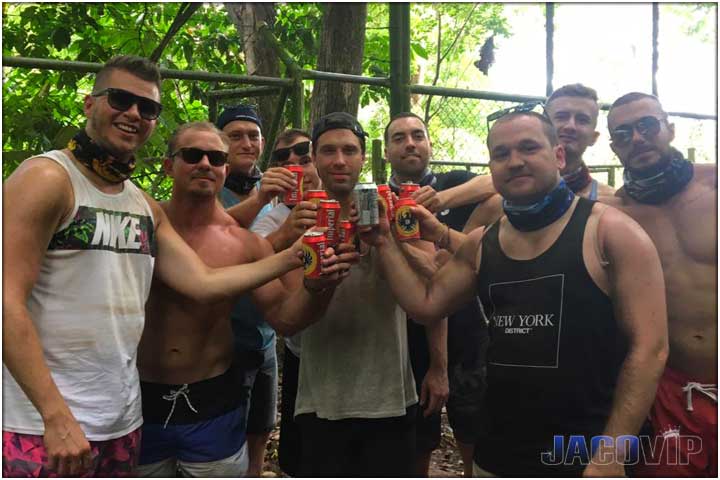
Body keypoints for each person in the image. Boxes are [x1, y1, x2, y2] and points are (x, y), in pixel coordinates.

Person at [2, 55, 337, 478]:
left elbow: (202, 283)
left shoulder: (137, 204)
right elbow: (5, 302)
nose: (134, 114)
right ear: (89, 104)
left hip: (124, 419)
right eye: (121, 100)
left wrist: (306, 266)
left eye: (148, 108)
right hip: (45, 422)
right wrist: (53, 414)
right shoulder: (47, 178)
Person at [363, 110, 669, 476]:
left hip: (585, 452)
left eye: (528, 147)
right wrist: (382, 241)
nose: (515, 161)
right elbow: (427, 304)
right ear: (490, 167)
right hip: (499, 451)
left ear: (557, 155)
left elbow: (650, 348)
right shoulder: (482, 243)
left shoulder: (611, 232)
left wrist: (613, 452)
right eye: (501, 153)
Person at [135, 122, 352, 477]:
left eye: (216, 158)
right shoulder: (139, 224)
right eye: (192, 155)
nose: (205, 164)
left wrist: (319, 287)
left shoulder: (246, 243)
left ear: (225, 168)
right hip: (140, 399)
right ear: (168, 165)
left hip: (214, 403)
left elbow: (285, 318)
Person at [293, 112, 419, 477]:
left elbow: (430, 291)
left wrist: (388, 237)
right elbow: (283, 314)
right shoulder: (297, 218)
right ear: (314, 158)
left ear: (364, 157)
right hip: (322, 397)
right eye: (328, 151)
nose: (339, 160)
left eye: (350, 150)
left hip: (390, 395)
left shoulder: (393, 208)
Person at [603, 92, 717, 477]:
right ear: (614, 147)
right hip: (674, 391)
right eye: (623, 133)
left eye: (647, 125)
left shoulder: (715, 184)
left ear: (669, 128)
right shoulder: (614, 215)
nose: (637, 138)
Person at [384, 112, 486, 477]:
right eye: (399, 138)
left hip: (466, 331)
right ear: (386, 152)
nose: (410, 143)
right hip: (409, 334)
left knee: (474, 429)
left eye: (417, 135)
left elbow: (500, 181)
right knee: (418, 437)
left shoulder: (456, 184)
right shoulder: (380, 200)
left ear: (429, 144)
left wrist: (441, 198)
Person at [215, 105, 292, 476]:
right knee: (227, 430)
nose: (247, 142)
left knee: (261, 426)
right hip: (225, 336)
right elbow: (214, 244)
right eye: (236, 135)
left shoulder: (274, 186)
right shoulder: (208, 185)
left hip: (266, 333)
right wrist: (282, 238)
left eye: (254, 135)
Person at [248, 128, 321, 478]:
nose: (294, 166)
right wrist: (287, 234)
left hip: (357, 350)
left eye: (304, 158)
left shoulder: (348, 203)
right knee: (302, 456)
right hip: (302, 353)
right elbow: (252, 269)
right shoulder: (270, 218)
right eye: (283, 160)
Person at [463, 84, 615, 232]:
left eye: (582, 120)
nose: (570, 126)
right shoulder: (499, 202)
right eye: (561, 117)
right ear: (543, 125)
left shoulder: (610, 205)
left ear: (594, 137)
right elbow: (462, 254)